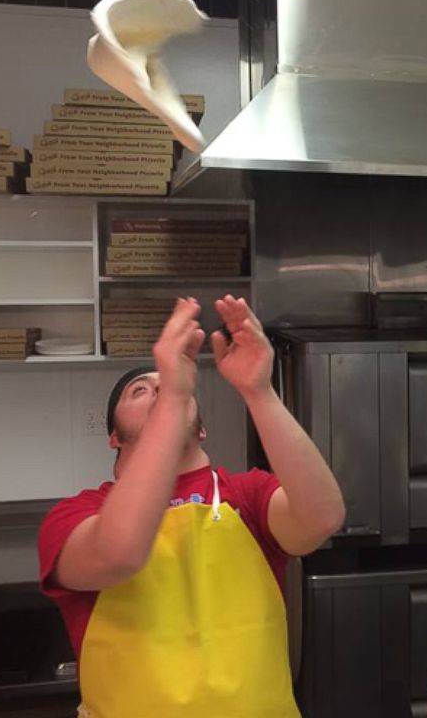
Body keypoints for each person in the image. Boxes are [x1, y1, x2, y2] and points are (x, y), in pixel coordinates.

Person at [37, 295, 345, 718]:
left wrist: (259, 391)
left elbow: (322, 518)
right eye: (141, 390)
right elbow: (119, 552)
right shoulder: (77, 516)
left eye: (165, 384)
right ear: (114, 437)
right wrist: (173, 397)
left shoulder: (248, 496)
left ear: (201, 428)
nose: (160, 388)